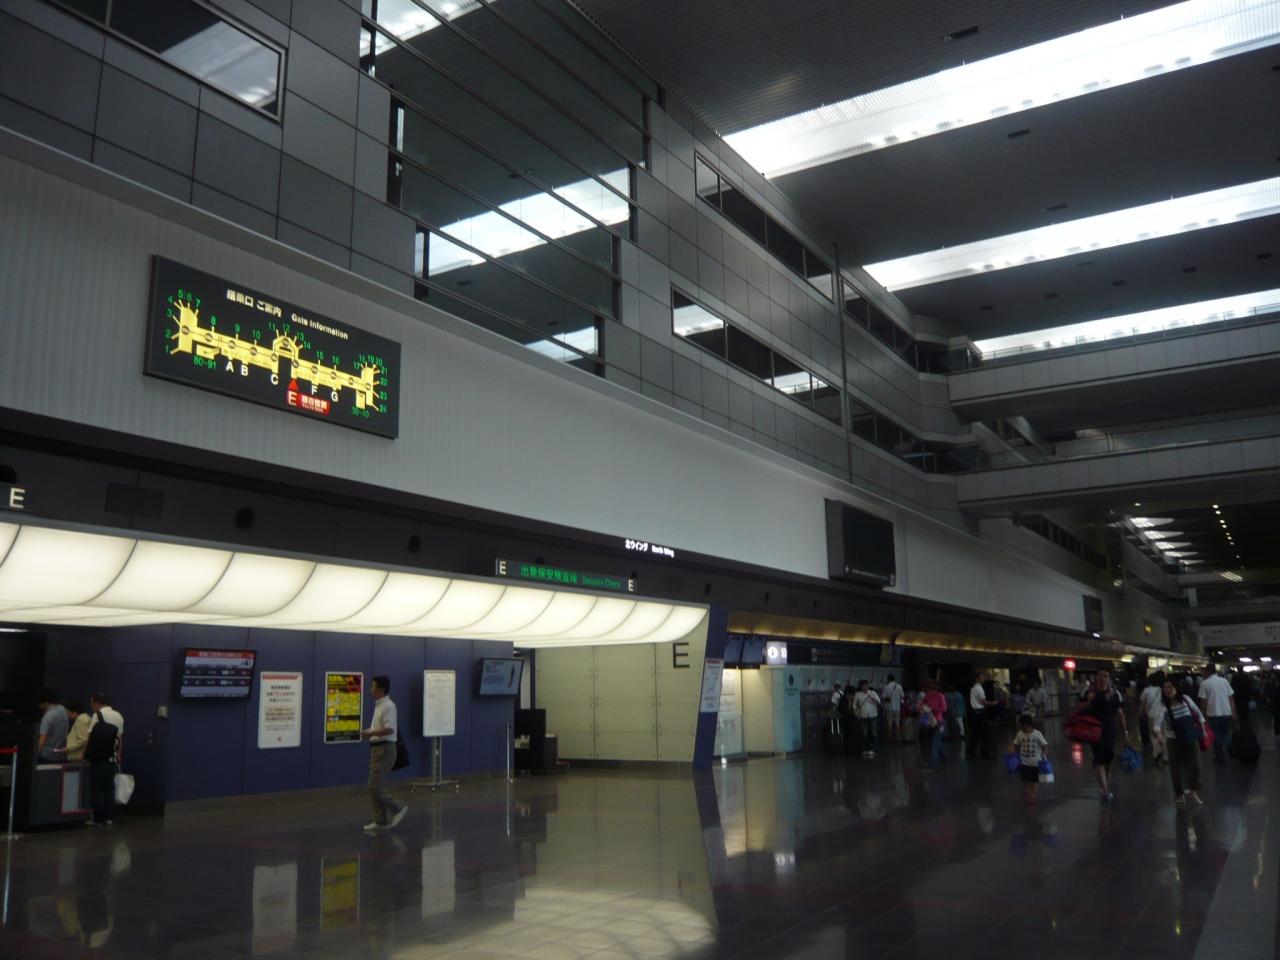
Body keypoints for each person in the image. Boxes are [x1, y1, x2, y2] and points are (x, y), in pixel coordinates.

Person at [361, 675, 408, 833]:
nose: (370, 689)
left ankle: (398, 808)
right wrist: (369, 731)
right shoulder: (379, 705)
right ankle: (380, 821)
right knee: (376, 786)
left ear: (380, 689)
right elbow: (380, 727)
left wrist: (371, 733)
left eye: (373, 686)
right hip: (377, 749)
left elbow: (389, 729)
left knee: (373, 786)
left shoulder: (389, 706)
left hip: (385, 750)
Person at [1081, 669, 1128, 802]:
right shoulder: (1088, 692)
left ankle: (1104, 783)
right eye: (1100, 676)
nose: (1102, 678)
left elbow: (1119, 713)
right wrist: (1088, 702)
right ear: (1096, 677)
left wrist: (1125, 731)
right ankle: (1105, 788)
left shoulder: (1114, 694)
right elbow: (1078, 707)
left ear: (1109, 678)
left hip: (1109, 730)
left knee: (1108, 758)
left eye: (1105, 676)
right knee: (1099, 758)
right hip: (1094, 730)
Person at [1161, 679, 1205, 805]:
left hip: (1190, 737)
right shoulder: (1162, 706)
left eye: (1170, 687)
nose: (1168, 690)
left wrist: (1203, 729)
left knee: (1196, 765)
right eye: (1165, 688)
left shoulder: (1185, 699)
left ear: (1176, 688)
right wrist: (1159, 735)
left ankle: (1193, 791)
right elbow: (1157, 723)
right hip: (1173, 740)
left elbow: (1197, 713)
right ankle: (1179, 794)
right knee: (1175, 769)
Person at [86, 693, 124, 826]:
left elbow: (90, 737)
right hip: (111, 758)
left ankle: (97, 818)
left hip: (97, 757)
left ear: (97, 703)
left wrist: (85, 754)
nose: (91, 706)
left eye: (92, 703)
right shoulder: (119, 716)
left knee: (97, 788)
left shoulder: (97, 715)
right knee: (109, 787)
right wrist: (118, 754)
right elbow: (119, 738)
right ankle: (109, 817)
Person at [1197, 665, 1234, 765]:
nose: (1202, 673)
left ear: (1208, 671)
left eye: (1204, 671)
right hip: (1226, 712)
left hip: (1213, 713)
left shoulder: (1204, 684)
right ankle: (1231, 749)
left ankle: (1219, 756)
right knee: (1225, 733)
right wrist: (1233, 711)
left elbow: (1203, 702)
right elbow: (1230, 697)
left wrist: (1202, 714)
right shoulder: (1224, 681)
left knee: (1216, 735)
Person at [1013, 713, 1048, 804]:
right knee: (1026, 779)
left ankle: (1033, 794)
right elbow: (1016, 744)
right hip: (1024, 761)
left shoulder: (1037, 734)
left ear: (1026, 725)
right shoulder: (1020, 734)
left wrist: (1043, 754)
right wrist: (1016, 754)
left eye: (1021, 725)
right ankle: (1027, 790)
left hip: (1036, 762)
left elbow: (1044, 745)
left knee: (1035, 779)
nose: (1020, 727)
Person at [36, 688, 70, 762]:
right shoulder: (63, 709)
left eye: (39, 703)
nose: (38, 705)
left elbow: (42, 739)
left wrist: (36, 755)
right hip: (62, 755)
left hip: (47, 756)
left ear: (46, 702)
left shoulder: (47, 717)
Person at [1139, 672, 1166, 766]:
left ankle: (1157, 753)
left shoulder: (1146, 690)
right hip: (1164, 714)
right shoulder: (1164, 689)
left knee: (1154, 736)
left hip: (1152, 715)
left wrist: (1140, 715)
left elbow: (1142, 706)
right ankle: (1166, 756)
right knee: (1164, 734)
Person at [967, 673, 996, 758]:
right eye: (982, 677)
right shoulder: (979, 688)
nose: (983, 679)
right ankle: (985, 752)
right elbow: (983, 701)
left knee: (975, 732)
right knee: (984, 733)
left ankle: (971, 750)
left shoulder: (973, 688)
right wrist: (993, 703)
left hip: (974, 712)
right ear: (977, 679)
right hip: (980, 712)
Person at [920, 681, 948, 767]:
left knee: (935, 741)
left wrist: (931, 708)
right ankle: (943, 759)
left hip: (940, 723)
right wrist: (921, 707)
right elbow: (921, 704)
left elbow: (944, 709)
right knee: (937, 742)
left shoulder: (940, 695)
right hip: (931, 722)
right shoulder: (927, 696)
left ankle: (933, 762)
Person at [852, 680, 881, 758]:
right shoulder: (858, 694)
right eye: (864, 686)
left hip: (873, 715)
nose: (865, 687)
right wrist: (857, 714)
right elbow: (854, 705)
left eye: (866, 685)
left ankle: (875, 749)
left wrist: (872, 699)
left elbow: (878, 702)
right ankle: (866, 749)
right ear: (861, 687)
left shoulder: (873, 693)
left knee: (874, 733)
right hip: (863, 716)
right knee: (865, 734)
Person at [882, 675, 903, 743]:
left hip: (889, 707)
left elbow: (883, 697)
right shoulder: (899, 686)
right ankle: (899, 738)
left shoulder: (886, 687)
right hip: (897, 708)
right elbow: (902, 696)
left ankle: (890, 738)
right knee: (897, 723)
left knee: (889, 723)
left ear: (888, 679)